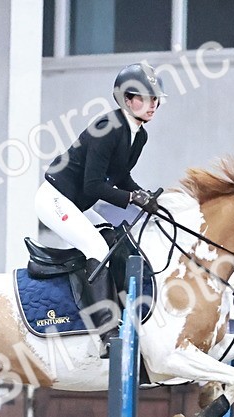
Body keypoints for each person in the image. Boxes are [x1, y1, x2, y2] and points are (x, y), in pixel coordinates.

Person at [35, 62, 166, 356]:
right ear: (127, 100)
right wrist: (132, 199)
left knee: (112, 239)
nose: (152, 105)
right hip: (55, 198)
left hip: (78, 203)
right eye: (145, 98)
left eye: (155, 99)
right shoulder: (107, 129)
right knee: (95, 245)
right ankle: (105, 333)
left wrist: (144, 195)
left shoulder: (139, 135)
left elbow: (120, 177)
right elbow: (95, 186)